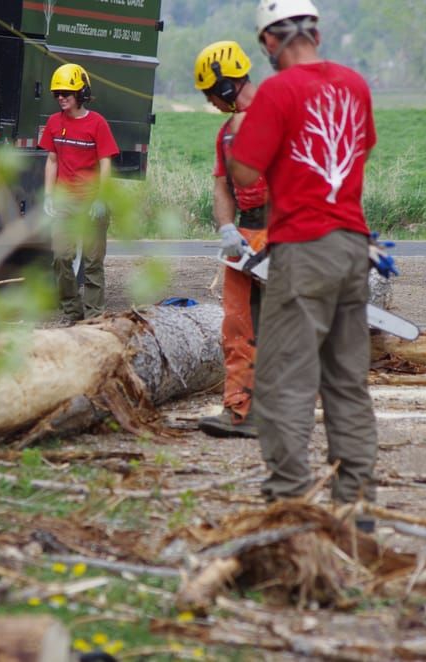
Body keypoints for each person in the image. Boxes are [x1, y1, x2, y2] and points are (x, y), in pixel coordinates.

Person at [227, 0, 379, 529]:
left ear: (270, 42)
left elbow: (245, 171)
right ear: (315, 32)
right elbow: (361, 150)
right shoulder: (354, 84)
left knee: (283, 382)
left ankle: (290, 506)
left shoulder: (277, 91)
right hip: (353, 245)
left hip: (303, 247)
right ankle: (357, 508)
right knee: (347, 382)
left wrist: (242, 131)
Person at [192, 41, 269, 439]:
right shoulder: (226, 134)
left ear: (225, 85)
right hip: (246, 233)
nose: (211, 102)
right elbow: (223, 185)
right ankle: (242, 410)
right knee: (238, 326)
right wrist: (227, 228)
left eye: (211, 94)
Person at [38, 63, 119, 322]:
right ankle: (72, 312)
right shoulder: (54, 123)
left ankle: (94, 317)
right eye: (57, 94)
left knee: (93, 263)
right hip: (65, 203)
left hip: (92, 202)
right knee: (62, 257)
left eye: (66, 93)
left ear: (81, 94)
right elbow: (52, 161)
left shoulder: (97, 123)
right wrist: (49, 195)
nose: (61, 98)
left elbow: (105, 162)